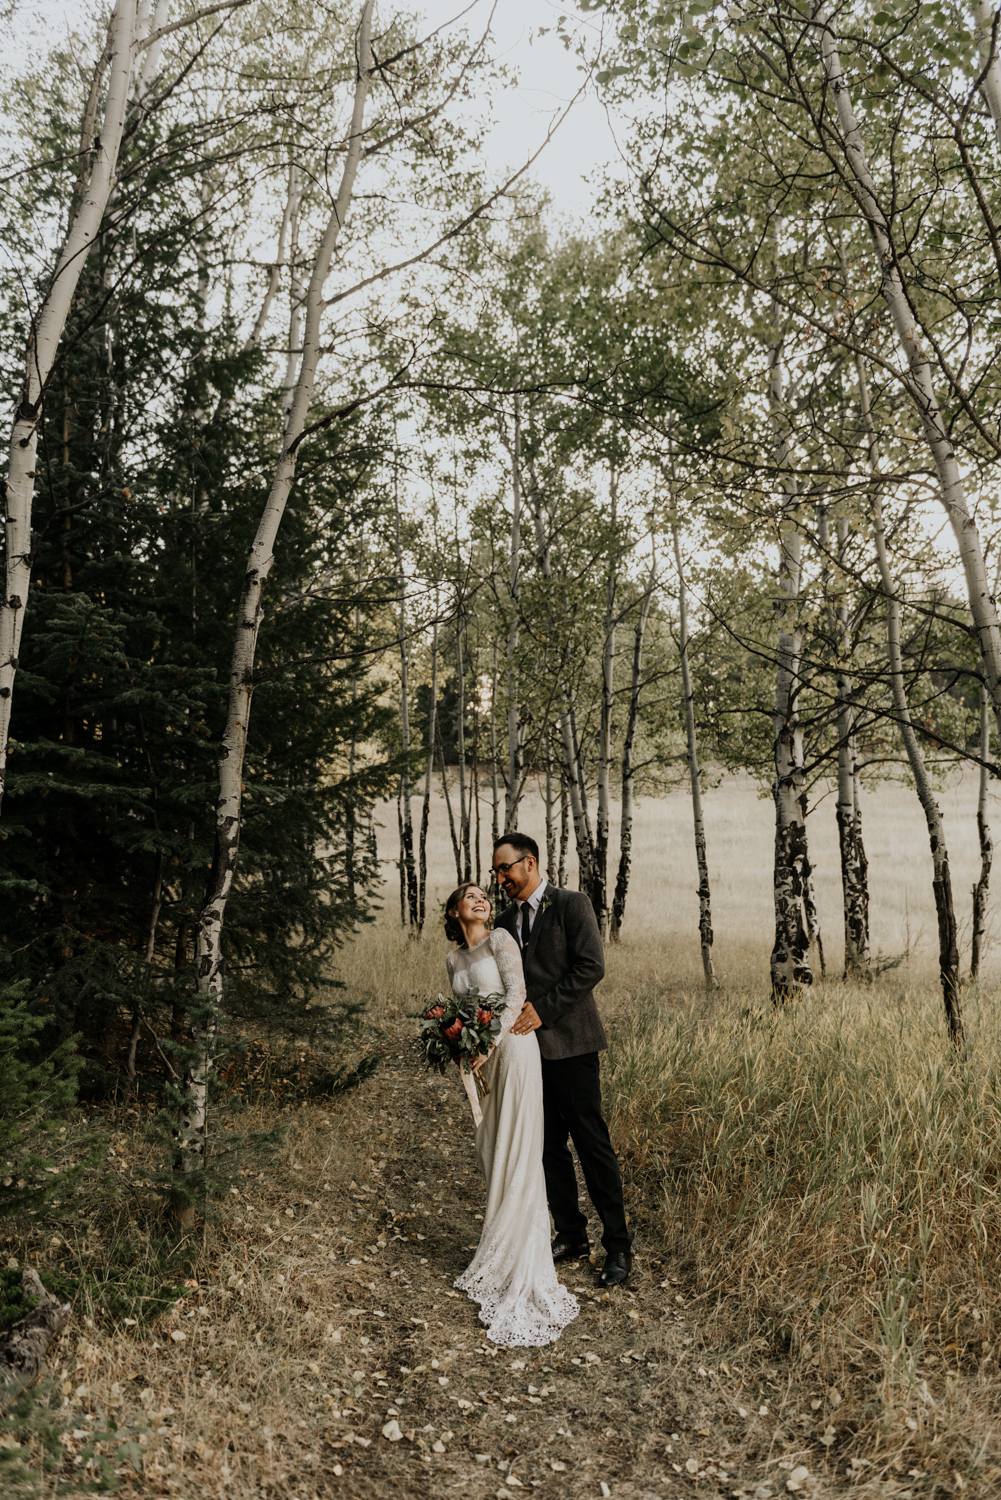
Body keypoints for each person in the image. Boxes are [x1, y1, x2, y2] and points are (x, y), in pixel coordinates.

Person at [492, 833, 632, 1288]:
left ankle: (619, 1247)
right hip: (527, 1055)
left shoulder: (572, 904)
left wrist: (544, 1010)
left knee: (592, 1146)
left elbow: (591, 966)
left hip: (572, 1045)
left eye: (505, 869)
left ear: (529, 863)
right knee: (548, 1147)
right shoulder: (502, 920)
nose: (500, 879)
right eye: (496, 872)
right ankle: (571, 1234)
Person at [445, 882, 579, 1347]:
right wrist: (463, 1046)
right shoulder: (453, 960)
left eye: (485, 894)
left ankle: (520, 1251)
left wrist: (490, 1043)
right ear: (454, 911)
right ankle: (498, 1236)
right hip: (483, 1060)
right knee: (489, 1143)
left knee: (517, 1144)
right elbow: (462, 1012)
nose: (481, 899)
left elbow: (516, 993)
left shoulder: (501, 938)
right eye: (470, 896)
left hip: (515, 1050)